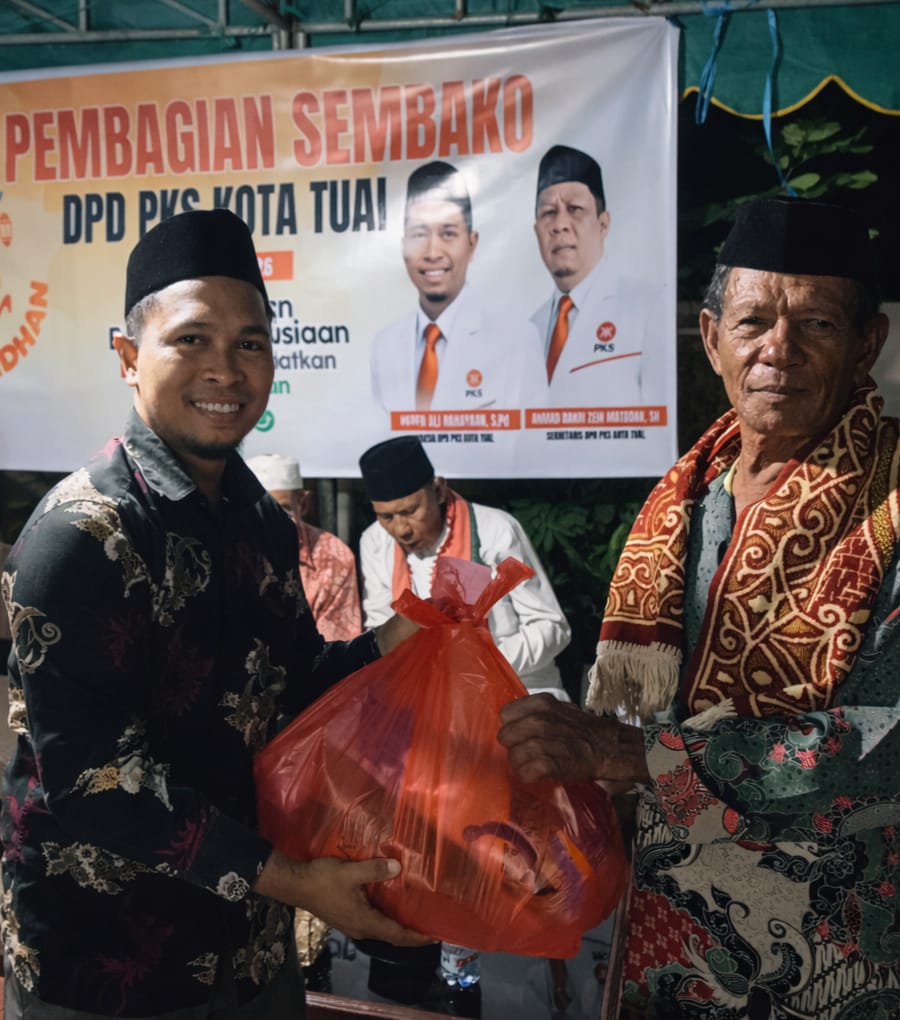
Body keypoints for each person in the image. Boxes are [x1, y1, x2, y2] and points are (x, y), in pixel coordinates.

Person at [0, 209, 429, 1019]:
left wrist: (407, 637)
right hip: (108, 970)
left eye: (250, 343)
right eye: (191, 339)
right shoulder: (81, 534)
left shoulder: (258, 520)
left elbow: (296, 686)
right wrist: (297, 881)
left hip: (249, 950)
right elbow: (96, 781)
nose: (225, 370)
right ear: (128, 357)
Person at [498, 198, 900, 1018]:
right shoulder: (685, 501)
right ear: (713, 338)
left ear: (868, 343)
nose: (778, 350)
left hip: (836, 962)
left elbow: (884, 744)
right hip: (668, 945)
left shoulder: (889, 506)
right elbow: (638, 726)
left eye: (817, 324)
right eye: (753, 322)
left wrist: (634, 756)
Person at [358, 435, 571, 697]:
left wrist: (477, 668)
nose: (401, 529)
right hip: (425, 694)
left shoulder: (495, 530)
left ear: (438, 491)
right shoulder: (375, 541)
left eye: (410, 511)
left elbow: (551, 627)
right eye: (386, 517)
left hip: (519, 688)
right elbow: (381, 630)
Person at [370, 160, 529, 414]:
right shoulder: (384, 346)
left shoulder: (517, 340)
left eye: (448, 233)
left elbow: (532, 437)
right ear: (403, 246)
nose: (433, 252)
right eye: (419, 234)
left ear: (472, 243)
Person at [528, 144, 661, 409]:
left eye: (575, 209)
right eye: (549, 212)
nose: (560, 225)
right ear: (537, 230)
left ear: (603, 224)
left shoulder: (650, 308)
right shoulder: (531, 328)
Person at [246, 453, 361, 644]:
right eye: (258, 512)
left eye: (282, 509)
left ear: (303, 503)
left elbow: (334, 643)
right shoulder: (228, 549)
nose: (269, 520)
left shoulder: (332, 555)